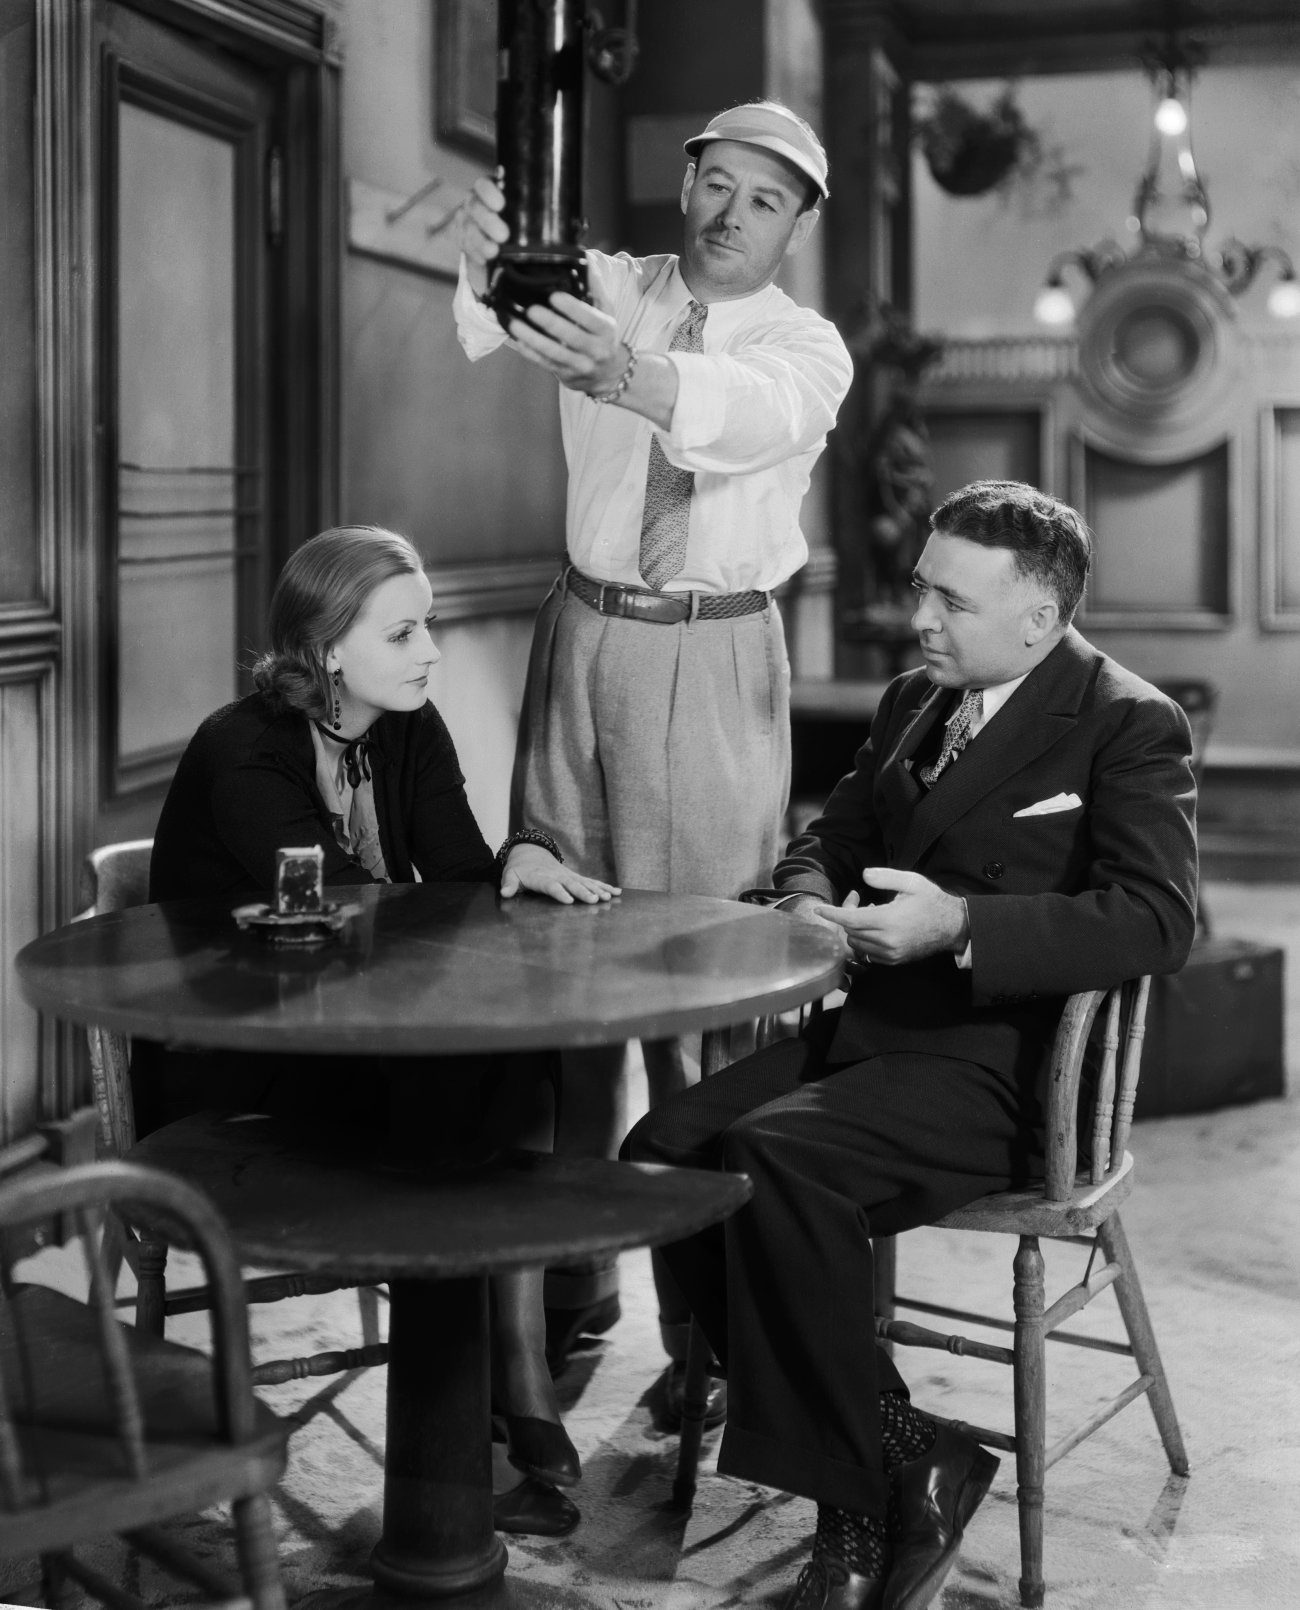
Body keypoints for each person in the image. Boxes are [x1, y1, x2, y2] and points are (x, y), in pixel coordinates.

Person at [624, 480, 1199, 1610]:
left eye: (951, 601)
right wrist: (804, 900)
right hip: (874, 1032)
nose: (919, 618)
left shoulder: (1128, 720)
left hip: (1012, 1066)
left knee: (777, 1161)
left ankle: (849, 1513)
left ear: (1038, 618)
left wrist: (963, 925)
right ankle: (903, 1448)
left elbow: (1156, 919)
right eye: (920, 588)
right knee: (663, 1153)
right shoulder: (914, 700)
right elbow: (828, 837)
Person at [454, 99, 854, 1398]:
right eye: (716, 183)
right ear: (683, 185)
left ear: (797, 224)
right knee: (561, 972)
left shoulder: (806, 347)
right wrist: (491, 242)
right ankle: (571, 1281)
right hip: (581, 635)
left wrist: (628, 375)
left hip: (712, 651)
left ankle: (709, 1330)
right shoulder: (612, 284)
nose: (732, 214)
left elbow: (739, 413)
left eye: (765, 199)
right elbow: (495, 308)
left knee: (704, 992)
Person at [147, 524, 618, 1541]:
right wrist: (459, 896)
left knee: (509, 1057)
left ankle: (501, 1374)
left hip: (356, 1028)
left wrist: (519, 856)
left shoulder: (406, 724)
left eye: (427, 626)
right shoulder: (243, 752)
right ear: (326, 650)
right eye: (402, 633)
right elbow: (354, 920)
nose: (431, 652)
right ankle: (496, 1400)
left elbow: (454, 881)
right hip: (236, 1053)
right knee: (460, 1092)